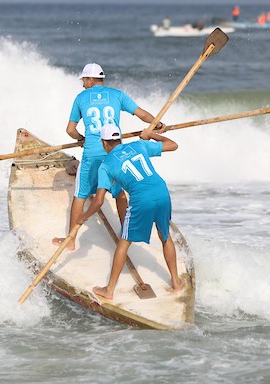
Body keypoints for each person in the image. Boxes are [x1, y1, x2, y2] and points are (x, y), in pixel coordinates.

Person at [52, 63, 164, 251]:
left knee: (80, 195)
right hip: (114, 152)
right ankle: (126, 235)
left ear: (90, 79)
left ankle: (70, 240)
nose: (82, 85)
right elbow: (142, 114)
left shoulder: (81, 98)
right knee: (119, 193)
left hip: (92, 153)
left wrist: (81, 138)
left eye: (84, 80)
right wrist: (157, 123)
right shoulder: (117, 95)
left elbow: (70, 130)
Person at [76, 123, 185, 300]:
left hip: (142, 199)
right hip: (162, 192)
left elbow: (98, 201)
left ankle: (109, 290)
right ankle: (176, 282)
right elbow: (173, 145)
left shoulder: (105, 165)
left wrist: (83, 217)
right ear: (119, 139)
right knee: (165, 237)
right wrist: (151, 134)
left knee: (124, 242)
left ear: (104, 143)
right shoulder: (138, 145)